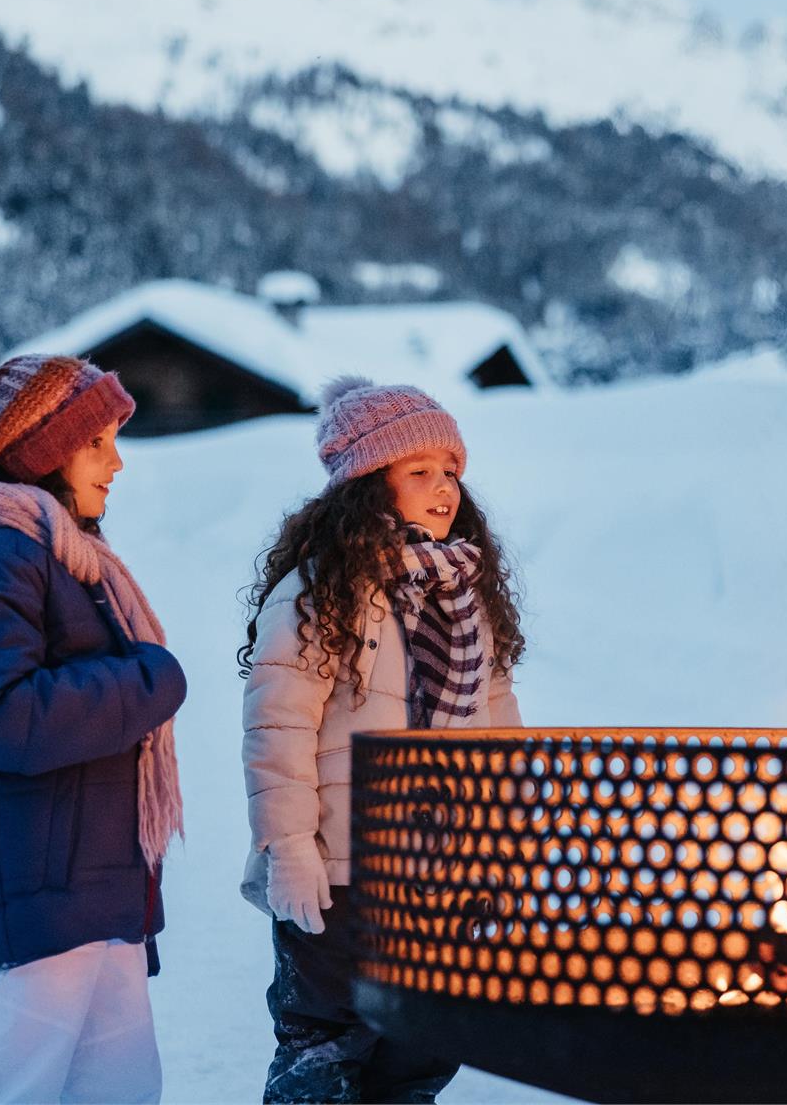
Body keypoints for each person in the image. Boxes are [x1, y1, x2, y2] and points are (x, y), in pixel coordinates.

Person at [0, 353, 188, 1104]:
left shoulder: (64, 558)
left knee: (118, 1093)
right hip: (33, 905)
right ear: (44, 452)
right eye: (99, 443)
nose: (117, 463)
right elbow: (0, 717)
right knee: (7, 1093)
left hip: (91, 898)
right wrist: (145, 679)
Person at [240, 379, 525, 1104]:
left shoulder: (466, 597)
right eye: (419, 471)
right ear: (369, 484)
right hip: (340, 873)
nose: (444, 489)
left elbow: (499, 743)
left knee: (421, 1049)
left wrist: (503, 853)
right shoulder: (320, 590)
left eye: (451, 471)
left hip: (440, 874)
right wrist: (291, 848)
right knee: (326, 1053)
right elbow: (278, 730)